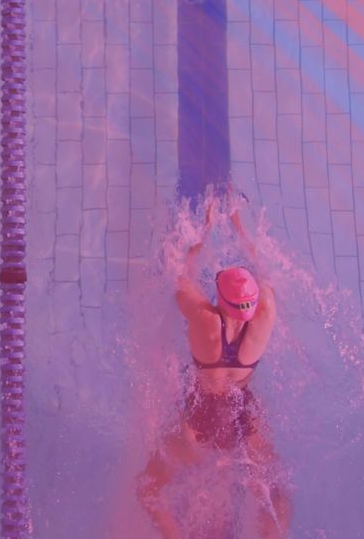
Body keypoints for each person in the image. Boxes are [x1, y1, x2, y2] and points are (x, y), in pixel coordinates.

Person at [137, 203, 291, 539]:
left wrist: (203, 233)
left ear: (220, 299)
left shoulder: (206, 321)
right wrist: (240, 226)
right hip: (244, 414)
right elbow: (264, 268)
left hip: (201, 416)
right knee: (277, 492)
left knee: (147, 488)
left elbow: (180, 277)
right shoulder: (265, 314)